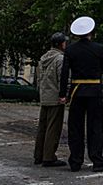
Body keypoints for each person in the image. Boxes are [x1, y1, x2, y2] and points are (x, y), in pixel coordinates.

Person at [59, 16, 103, 173]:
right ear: (91, 32)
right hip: (95, 91)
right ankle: (97, 161)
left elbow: (64, 73)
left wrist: (63, 94)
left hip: (77, 91)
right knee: (95, 127)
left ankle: (75, 161)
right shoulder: (99, 48)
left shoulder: (70, 50)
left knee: (75, 127)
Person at [33, 32, 68, 168]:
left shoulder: (43, 58)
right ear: (61, 44)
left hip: (44, 96)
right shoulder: (60, 59)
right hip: (55, 98)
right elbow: (62, 78)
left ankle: (38, 155)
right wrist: (63, 94)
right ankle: (49, 157)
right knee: (53, 128)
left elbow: (39, 79)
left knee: (42, 127)